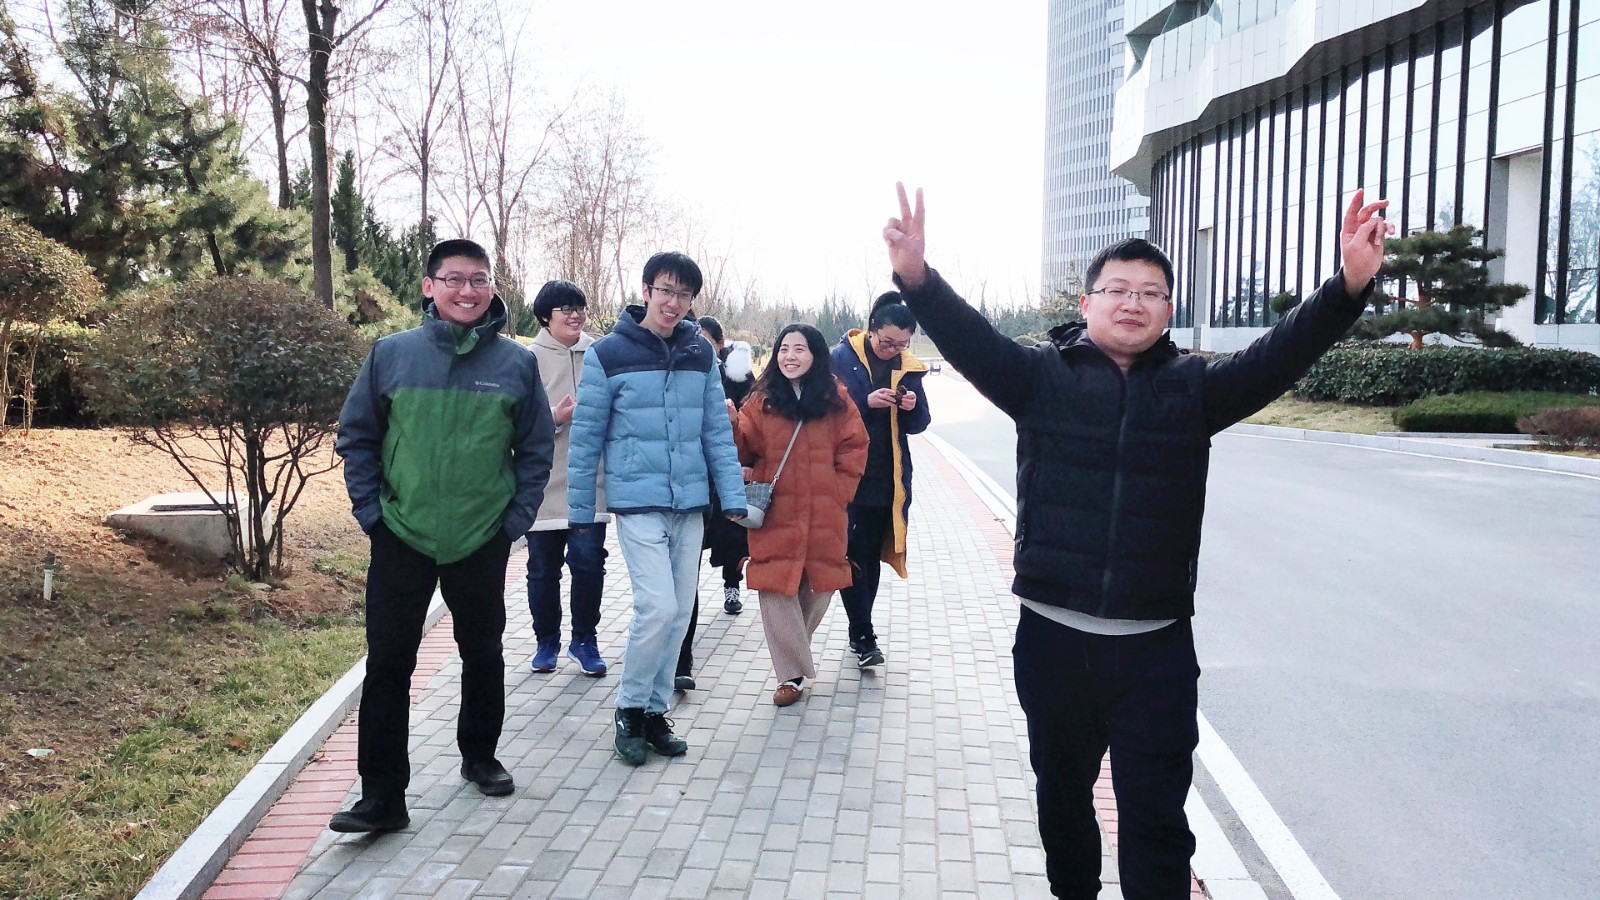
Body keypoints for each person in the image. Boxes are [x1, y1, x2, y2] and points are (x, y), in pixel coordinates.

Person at [882, 183, 1391, 899]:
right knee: (1063, 798)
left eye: (1151, 293)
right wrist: (916, 278)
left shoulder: (1195, 388)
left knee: (1157, 819)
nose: (1133, 303)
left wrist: (1347, 287)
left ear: (1168, 311)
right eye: (1117, 289)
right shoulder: (1037, 378)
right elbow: (969, 339)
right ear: (1086, 302)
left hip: (1155, 647)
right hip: (1055, 640)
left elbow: (1283, 353)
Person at [330, 238, 554, 833]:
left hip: (482, 536)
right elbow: (357, 436)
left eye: (478, 279)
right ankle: (382, 796)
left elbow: (535, 449)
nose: (467, 291)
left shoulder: (516, 364)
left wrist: (513, 521)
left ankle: (480, 756)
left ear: (492, 288)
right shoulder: (391, 354)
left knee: (482, 652)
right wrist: (372, 514)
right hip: (402, 533)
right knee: (388, 664)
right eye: (453, 279)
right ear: (429, 286)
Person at [567, 251, 747, 767]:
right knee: (658, 607)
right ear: (646, 291)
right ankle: (628, 709)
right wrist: (582, 514)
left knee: (681, 610)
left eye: (684, 294)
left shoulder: (700, 354)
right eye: (665, 290)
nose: (673, 302)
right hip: (638, 502)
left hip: (689, 503)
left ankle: (654, 710)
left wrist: (732, 497)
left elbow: (716, 430)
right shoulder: (608, 354)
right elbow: (586, 439)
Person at [734, 324, 867, 706]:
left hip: (826, 512)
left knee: (820, 585)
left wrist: (838, 491)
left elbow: (856, 448)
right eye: (784, 349)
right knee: (775, 585)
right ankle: (790, 676)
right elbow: (742, 447)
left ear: (815, 355)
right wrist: (730, 426)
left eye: (799, 349)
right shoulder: (761, 401)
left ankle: (794, 657)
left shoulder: (837, 400)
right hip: (776, 512)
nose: (790, 356)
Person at [830, 292, 931, 668]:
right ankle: (863, 633)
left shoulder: (908, 367)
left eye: (902, 344)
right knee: (849, 553)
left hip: (886, 478)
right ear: (871, 329)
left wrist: (912, 406)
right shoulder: (840, 359)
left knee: (868, 555)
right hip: (844, 476)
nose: (893, 350)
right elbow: (822, 411)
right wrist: (864, 403)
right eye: (887, 342)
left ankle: (862, 631)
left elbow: (920, 424)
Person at [524, 280, 610, 677]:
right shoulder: (528, 359)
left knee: (589, 563)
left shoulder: (600, 353)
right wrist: (553, 418)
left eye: (579, 308)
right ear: (546, 316)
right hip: (544, 483)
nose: (575, 316)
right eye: (565, 309)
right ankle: (546, 641)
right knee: (543, 569)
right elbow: (515, 423)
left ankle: (584, 640)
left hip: (590, 481)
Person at [673, 314, 755, 691]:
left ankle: (682, 657)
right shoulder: (650, 368)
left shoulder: (733, 375)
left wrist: (735, 425)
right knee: (671, 582)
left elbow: (741, 431)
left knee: (724, 544)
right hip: (664, 493)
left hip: (714, 483)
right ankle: (669, 655)